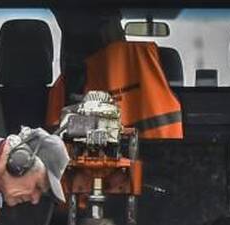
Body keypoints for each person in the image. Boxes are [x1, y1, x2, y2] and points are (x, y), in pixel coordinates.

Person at [44, 10, 183, 139]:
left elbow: (55, 149)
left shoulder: (65, 87)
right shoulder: (157, 62)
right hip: (169, 160)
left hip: (99, 163)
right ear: (115, 31)